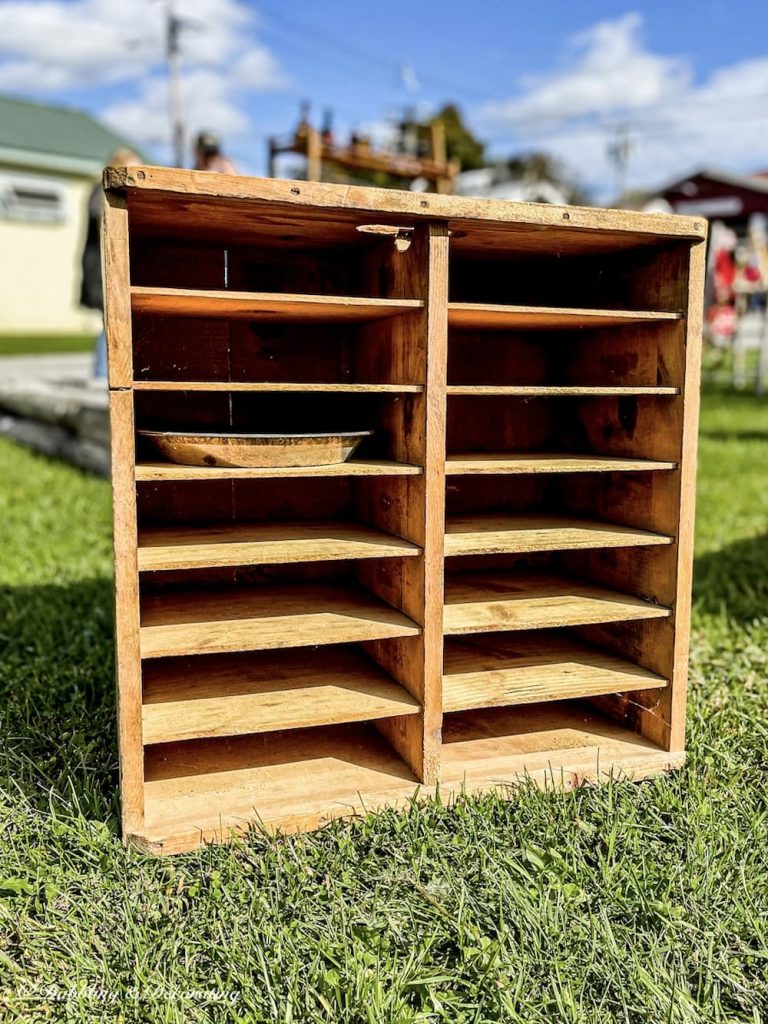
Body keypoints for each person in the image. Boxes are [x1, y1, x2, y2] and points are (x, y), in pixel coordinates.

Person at [81, 147, 140, 378]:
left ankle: (105, 375)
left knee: (114, 321)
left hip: (110, 264)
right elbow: (103, 222)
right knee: (111, 321)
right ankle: (101, 377)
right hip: (103, 267)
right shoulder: (102, 190)